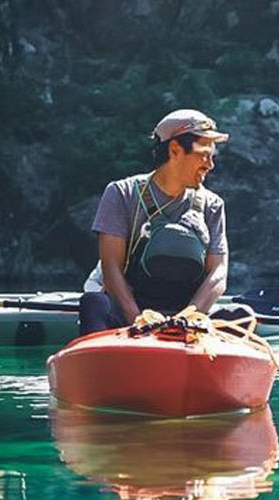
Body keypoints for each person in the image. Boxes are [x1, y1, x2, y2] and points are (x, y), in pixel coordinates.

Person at [79, 109, 230, 334]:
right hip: (127, 309)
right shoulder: (122, 193)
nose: (210, 165)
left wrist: (190, 316)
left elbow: (218, 271)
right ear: (175, 150)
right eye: (203, 155)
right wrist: (138, 320)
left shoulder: (212, 204)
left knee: (241, 315)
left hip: (187, 314)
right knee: (94, 303)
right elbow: (111, 268)